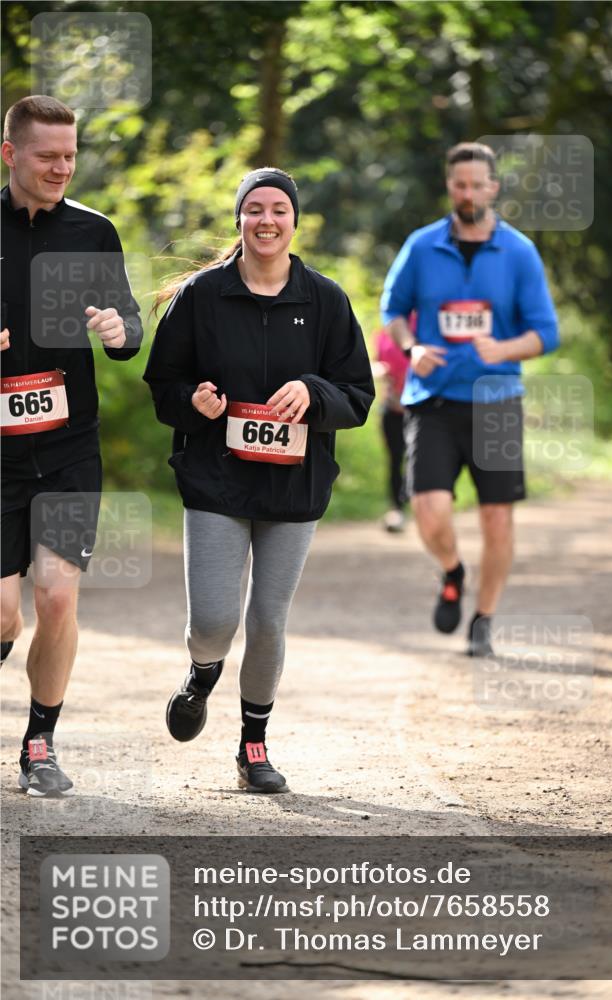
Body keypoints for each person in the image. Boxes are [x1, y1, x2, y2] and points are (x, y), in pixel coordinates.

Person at [143, 167, 374, 793]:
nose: (266, 220)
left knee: (269, 621)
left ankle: (253, 746)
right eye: (254, 210)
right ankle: (201, 672)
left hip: (294, 488)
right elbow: (162, 386)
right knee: (216, 621)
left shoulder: (325, 299)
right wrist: (196, 402)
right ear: (239, 219)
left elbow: (359, 395)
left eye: (279, 209)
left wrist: (314, 392)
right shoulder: (202, 295)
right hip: (216, 478)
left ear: (294, 222)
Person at [0, 96, 143, 796]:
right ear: (10, 155)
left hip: (65, 446)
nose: (62, 168)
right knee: (2, 612)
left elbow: (131, 323)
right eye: (48, 156)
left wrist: (122, 332)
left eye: (70, 156)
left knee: (57, 597)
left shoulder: (93, 231)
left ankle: (39, 746)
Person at [381, 142, 559, 656]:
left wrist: (502, 346)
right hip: (433, 399)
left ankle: (484, 619)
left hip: (497, 400)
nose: (467, 193)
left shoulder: (519, 252)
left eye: (477, 184)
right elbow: (393, 309)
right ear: (450, 187)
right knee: (429, 511)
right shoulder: (421, 246)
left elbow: (545, 333)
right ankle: (453, 571)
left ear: (492, 188)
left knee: (497, 517)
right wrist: (411, 348)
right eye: (459, 184)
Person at [373, 324, 410, 532]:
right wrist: (379, 369)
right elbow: (377, 363)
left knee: (419, 459)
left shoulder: (424, 325)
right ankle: (397, 508)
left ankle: (421, 504)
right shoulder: (383, 333)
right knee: (395, 459)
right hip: (392, 406)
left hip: (421, 408)